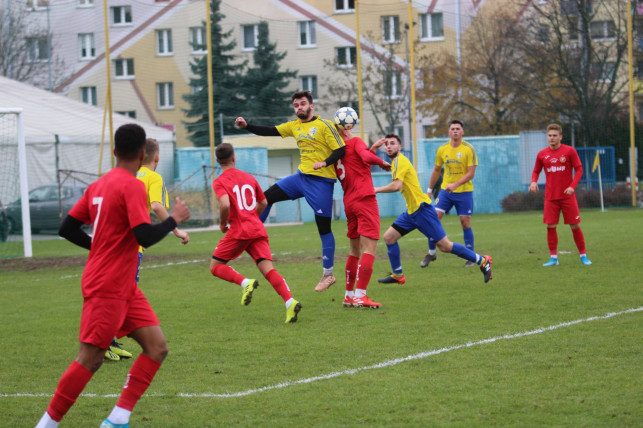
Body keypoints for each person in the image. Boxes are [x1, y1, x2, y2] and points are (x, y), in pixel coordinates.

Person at [35, 123, 190, 428]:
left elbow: (67, 228)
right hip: (107, 284)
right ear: (143, 153)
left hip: (124, 285)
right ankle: (46, 425)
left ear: (116, 151)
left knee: (157, 347)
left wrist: (97, 245)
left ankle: (117, 419)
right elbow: (144, 235)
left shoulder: (99, 185)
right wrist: (174, 219)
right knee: (90, 358)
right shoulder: (131, 185)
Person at [234, 90, 345, 292]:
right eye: (296, 105)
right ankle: (251, 235)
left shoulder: (324, 125)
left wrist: (325, 162)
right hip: (301, 178)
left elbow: (340, 150)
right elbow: (269, 131)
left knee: (324, 229)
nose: (299, 108)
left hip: (321, 182)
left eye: (302, 104)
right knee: (266, 198)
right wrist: (247, 126)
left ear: (312, 106)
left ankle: (328, 274)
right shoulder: (294, 126)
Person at [103, 138, 192, 362]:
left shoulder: (127, 175)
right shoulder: (153, 177)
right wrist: (176, 230)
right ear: (157, 157)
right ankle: (103, 341)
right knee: (124, 294)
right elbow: (156, 205)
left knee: (120, 292)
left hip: (111, 241)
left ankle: (109, 340)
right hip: (131, 244)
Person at [372, 134, 493, 285]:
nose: (389, 146)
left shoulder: (399, 161)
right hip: (411, 212)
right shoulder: (396, 162)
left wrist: (375, 189)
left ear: (399, 147)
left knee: (445, 246)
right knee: (389, 237)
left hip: (422, 211)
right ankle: (398, 275)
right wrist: (373, 150)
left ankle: (483, 260)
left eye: (392, 143)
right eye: (387, 144)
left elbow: (397, 186)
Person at [210, 143, 302, 323]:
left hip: (239, 230)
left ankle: (245, 283)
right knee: (268, 269)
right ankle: (289, 302)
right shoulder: (248, 177)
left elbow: (225, 204)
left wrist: (222, 223)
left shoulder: (219, 181)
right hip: (256, 228)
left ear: (217, 161)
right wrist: (253, 217)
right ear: (234, 158)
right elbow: (263, 202)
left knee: (215, 266)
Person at [313, 126, 390, 308]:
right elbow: (365, 157)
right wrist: (381, 162)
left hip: (349, 201)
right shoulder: (355, 142)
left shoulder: (336, 152)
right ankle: (360, 295)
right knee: (370, 248)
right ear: (348, 128)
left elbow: (357, 162)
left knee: (354, 250)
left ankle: (348, 295)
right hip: (364, 199)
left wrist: (373, 148)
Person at [529, 123, 591, 266]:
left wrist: (572, 187)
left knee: (574, 225)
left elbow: (579, 170)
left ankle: (583, 256)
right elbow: (536, 171)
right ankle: (553, 258)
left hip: (567, 196)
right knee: (550, 226)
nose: (552, 138)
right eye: (549, 135)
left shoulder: (569, 151)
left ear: (560, 137)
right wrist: (533, 182)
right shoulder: (542, 154)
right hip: (550, 197)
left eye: (554, 135)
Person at [420, 120, 478, 269]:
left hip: (464, 191)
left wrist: (456, 184)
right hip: (446, 191)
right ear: (448, 132)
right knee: (432, 218)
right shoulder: (442, 149)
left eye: (458, 128)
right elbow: (436, 170)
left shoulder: (468, 149)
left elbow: (471, 173)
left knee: (465, 222)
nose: (455, 131)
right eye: (452, 129)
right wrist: (429, 189)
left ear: (462, 132)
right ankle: (431, 253)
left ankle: (470, 256)